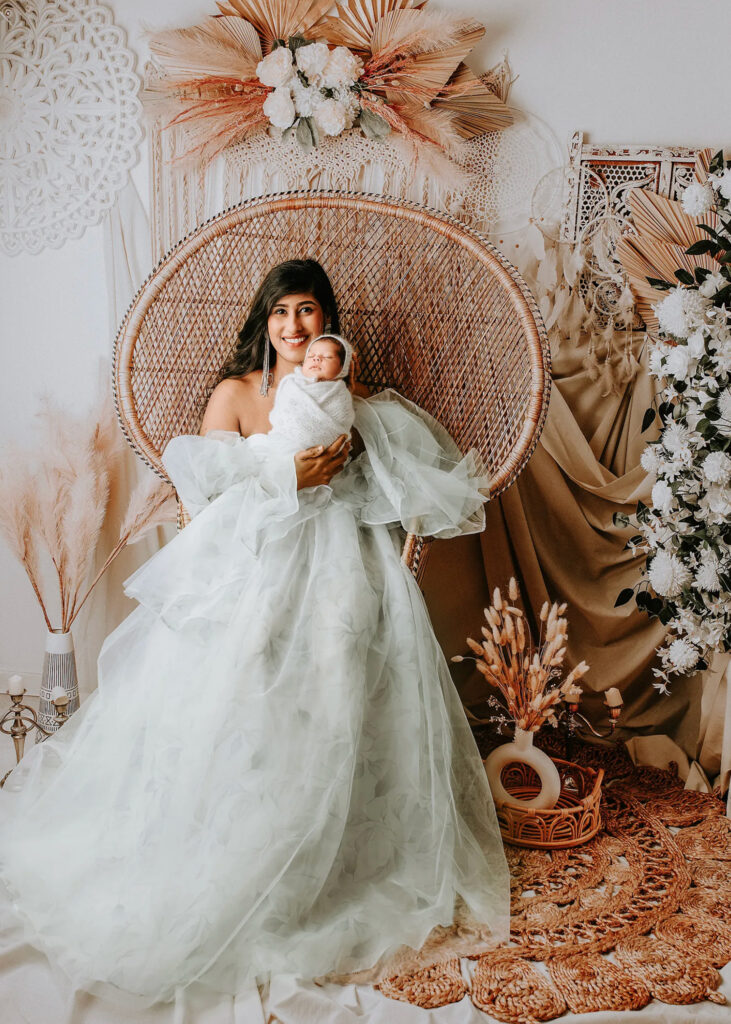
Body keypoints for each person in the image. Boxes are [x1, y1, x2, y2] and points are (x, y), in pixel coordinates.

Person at [0, 258, 510, 1009]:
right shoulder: (235, 394)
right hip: (253, 553)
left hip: (340, 552)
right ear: (264, 322)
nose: (295, 327)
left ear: (327, 322)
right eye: (281, 312)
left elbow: (394, 474)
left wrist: (355, 469)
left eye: (307, 311)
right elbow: (205, 501)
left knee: (342, 651)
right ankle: (242, 838)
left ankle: (338, 847)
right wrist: (289, 479)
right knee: (246, 667)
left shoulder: (347, 393)